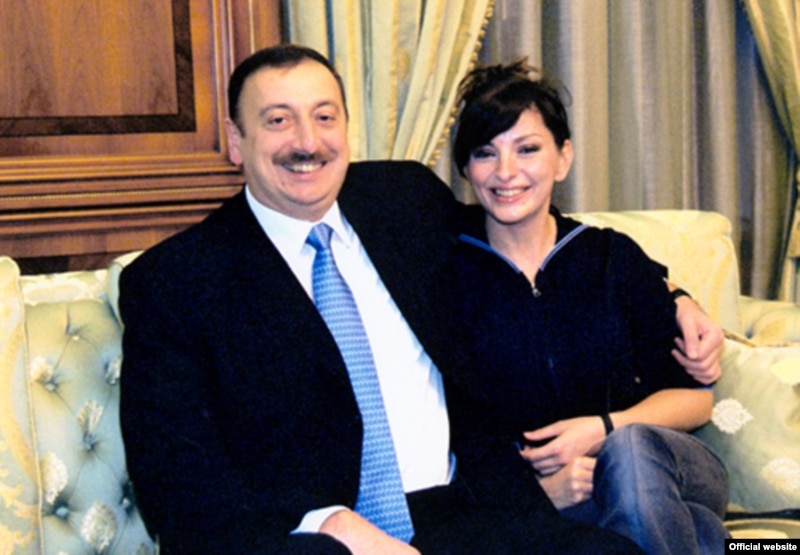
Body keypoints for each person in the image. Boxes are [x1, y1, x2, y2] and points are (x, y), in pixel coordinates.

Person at [118, 45, 721, 554]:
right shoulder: (176, 282)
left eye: (325, 117)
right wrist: (329, 524)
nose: (307, 142)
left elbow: (525, 226)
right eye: (278, 120)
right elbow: (174, 482)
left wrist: (675, 296)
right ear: (236, 140)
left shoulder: (401, 200)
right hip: (318, 538)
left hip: (466, 512)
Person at [444, 59, 729, 554]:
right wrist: (534, 494)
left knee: (631, 455)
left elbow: (696, 399)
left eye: (528, 149)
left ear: (563, 158)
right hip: (556, 498)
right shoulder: (446, 273)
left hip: (670, 464)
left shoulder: (610, 257)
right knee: (700, 532)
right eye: (486, 153)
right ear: (466, 168)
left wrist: (603, 431)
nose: (506, 172)